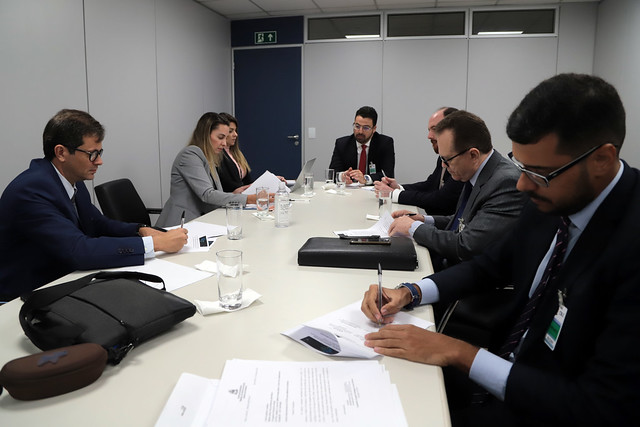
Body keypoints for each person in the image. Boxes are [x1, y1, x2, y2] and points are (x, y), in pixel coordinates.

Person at [361, 74, 640, 426]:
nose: (522, 184)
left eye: (538, 172)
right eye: (520, 166)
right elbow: (488, 266)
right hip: (502, 365)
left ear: (601, 159)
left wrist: (459, 352)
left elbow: (601, 405)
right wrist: (410, 291)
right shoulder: (551, 198)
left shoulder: (628, 244)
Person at [0, 109, 188, 302]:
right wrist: (153, 244)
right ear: (61, 152)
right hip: (22, 300)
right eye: (92, 154)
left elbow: (97, 224)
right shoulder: (31, 190)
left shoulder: (73, 181)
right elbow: (78, 250)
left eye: (100, 153)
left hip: (62, 283)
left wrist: (141, 231)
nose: (99, 161)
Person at [387, 110, 525, 271]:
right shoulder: (476, 171)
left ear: (473, 155)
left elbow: (466, 245)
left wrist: (413, 228)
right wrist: (423, 220)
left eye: (447, 160)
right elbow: (464, 221)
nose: (444, 166)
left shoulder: (505, 182)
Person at [156, 112, 260, 227]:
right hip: (180, 224)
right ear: (205, 134)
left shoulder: (209, 158)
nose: (224, 143)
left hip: (201, 220)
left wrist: (234, 194)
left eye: (225, 138)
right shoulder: (190, 154)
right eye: (220, 137)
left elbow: (214, 195)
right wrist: (248, 199)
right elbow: (207, 195)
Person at [374, 107, 464, 215]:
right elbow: (429, 185)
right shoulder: (443, 157)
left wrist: (394, 194)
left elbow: (441, 200)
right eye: (429, 130)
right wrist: (398, 188)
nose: (429, 136)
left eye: (435, 129)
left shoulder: (461, 161)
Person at [329, 106, 394, 185]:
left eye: (366, 128)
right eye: (357, 126)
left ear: (374, 129)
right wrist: (341, 176)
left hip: (374, 191)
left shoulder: (385, 143)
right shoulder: (342, 144)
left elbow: (388, 174)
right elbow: (332, 173)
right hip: (349, 191)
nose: (360, 131)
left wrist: (365, 179)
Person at [217, 112, 254, 193]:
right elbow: (229, 185)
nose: (235, 134)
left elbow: (248, 182)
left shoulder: (236, 153)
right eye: (230, 131)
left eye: (235, 130)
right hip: (230, 201)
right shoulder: (217, 155)